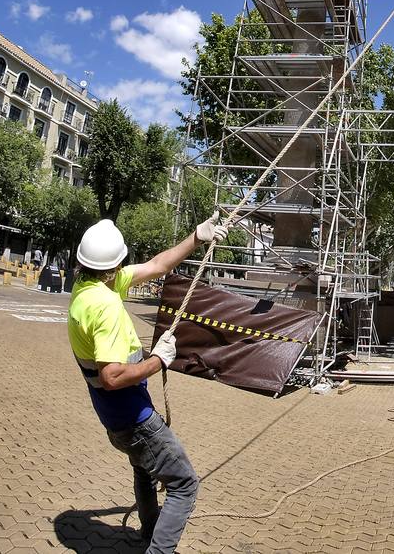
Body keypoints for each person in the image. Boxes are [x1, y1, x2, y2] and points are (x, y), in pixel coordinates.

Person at [69, 214, 229, 553]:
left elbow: (157, 266)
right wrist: (158, 360)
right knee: (184, 484)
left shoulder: (87, 290)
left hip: (115, 419)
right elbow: (111, 377)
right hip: (134, 418)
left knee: (144, 469)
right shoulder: (106, 305)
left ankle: (149, 532)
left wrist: (196, 238)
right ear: (115, 265)